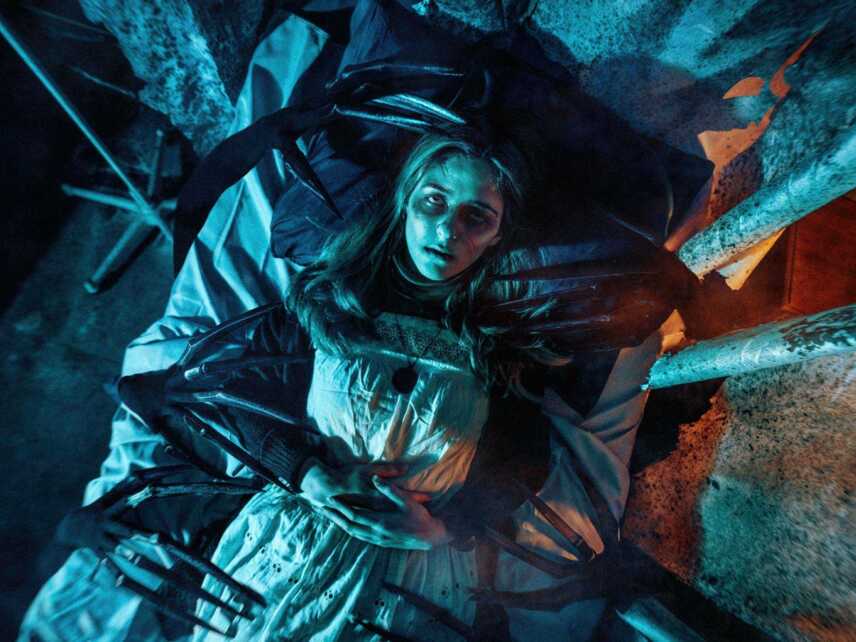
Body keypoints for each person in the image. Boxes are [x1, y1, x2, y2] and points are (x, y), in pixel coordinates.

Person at [126, 124, 687, 641]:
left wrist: (443, 529)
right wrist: (309, 474)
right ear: (405, 202)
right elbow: (234, 398)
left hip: (416, 570)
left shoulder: (496, 342)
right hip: (293, 541)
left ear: (498, 237)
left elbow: (523, 460)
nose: (446, 230)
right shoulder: (330, 303)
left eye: (476, 217)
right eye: (434, 202)